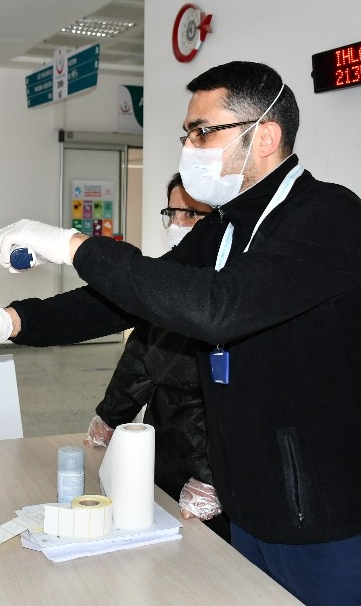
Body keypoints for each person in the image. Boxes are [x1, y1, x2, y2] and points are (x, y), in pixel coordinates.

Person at [0, 61, 361, 606]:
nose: (190, 145)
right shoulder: (225, 229)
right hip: (249, 505)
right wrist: (8, 321)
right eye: (188, 132)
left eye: (204, 131)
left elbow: (216, 309)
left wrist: (71, 246)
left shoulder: (328, 218)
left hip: (329, 514)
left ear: (266, 136)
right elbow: (125, 300)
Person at [86, 173, 230, 541]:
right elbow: (140, 356)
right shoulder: (169, 281)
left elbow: (231, 402)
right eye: (173, 213)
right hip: (163, 441)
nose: (179, 226)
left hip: (215, 467)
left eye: (192, 216)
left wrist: (209, 476)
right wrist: (109, 417)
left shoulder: (227, 294)